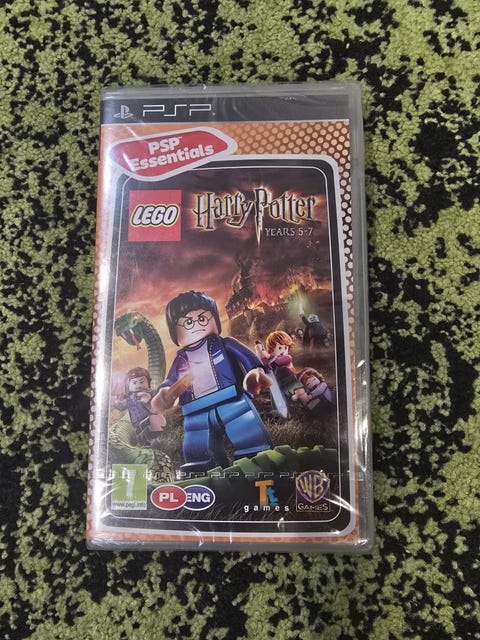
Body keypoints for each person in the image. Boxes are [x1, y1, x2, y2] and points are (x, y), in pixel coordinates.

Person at [152, 291, 273, 473]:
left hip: (231, 400)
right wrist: (165, 394)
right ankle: (201, 473)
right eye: (188, 322)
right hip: (195, 411)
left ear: (215, 320)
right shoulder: (180, 359)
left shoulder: (225, 344)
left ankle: (257, 462)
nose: (196, 325)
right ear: (174, 332)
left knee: (248, 434)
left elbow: (248, 357)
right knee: (197, 450)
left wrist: (255, 372)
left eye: (202, 318)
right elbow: (170, 381)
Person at [114, 367, 166, 448]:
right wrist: (116, 401)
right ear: (128, 385)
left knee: (156, 422)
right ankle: (142, 440)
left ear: (148, 381)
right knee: (144, 432)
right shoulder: (129, 399)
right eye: (134, 383)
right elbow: (120, 407)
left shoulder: (151, 393)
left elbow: (159, 400)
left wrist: (148, 400)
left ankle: (151, 440)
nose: (138, 385)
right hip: (137, 423)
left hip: (149, 418)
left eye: (142, 382)